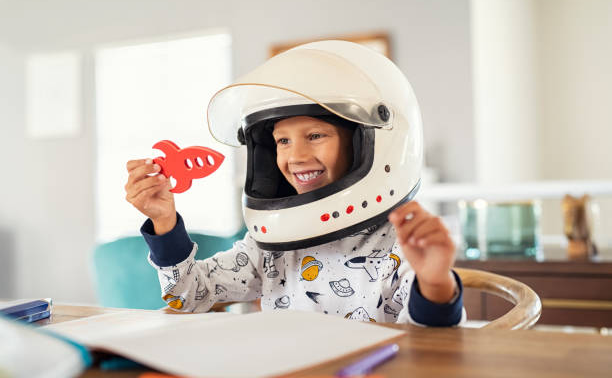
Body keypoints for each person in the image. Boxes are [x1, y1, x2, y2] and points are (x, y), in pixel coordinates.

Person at [124, 40, 464, 325]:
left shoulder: (404, 246)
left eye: (315, 135)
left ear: (370, 143)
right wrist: (164, 224)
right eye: (282, 141)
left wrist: (434, 282)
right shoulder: (271, 246)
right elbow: (188, 296)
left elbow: (434, 348)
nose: (295, 156)